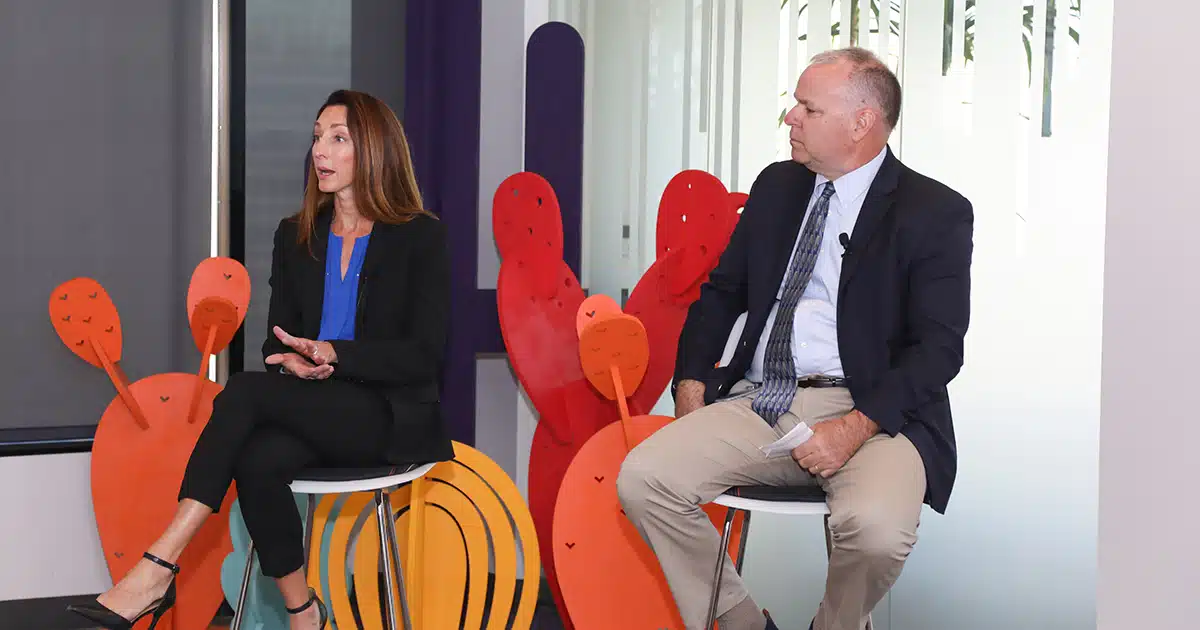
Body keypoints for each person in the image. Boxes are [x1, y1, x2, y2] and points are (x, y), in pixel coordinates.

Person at [68, 89, 453, 630]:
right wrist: (295, 361)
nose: (320, 149)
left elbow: (423, 355)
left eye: (338, 138)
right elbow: (276, 344)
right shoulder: (295, 236)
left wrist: (334, 355)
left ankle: (157, 566)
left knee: (244, 392)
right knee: (257, 459)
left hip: (387, 415)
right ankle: (304, 614)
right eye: (318, 136)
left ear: (373, 150)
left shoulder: (421, 237)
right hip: (315, 406)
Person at [616, 47, 973, 630]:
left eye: (808, 108)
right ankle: (740, 623)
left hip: (874, 412)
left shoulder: (934, 212)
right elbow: (723, 292)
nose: (791, 118)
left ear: (862, 123)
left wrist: (854, 427)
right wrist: (691, 379)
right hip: (763, 400)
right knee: (643, 479)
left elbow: (939, 349)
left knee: (878, 533)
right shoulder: (778, 186)